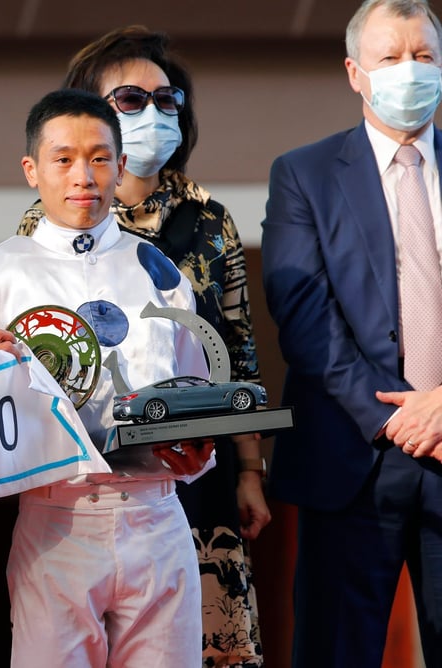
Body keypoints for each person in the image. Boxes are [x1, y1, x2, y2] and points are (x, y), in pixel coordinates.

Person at [17, 26, 270, 665]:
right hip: (81, 492)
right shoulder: (41, 229)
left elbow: (237, 348)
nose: (154, 112)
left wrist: (246, 469)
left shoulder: (209, 219)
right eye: (130, 99)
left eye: (167, 99)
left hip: (192, 471)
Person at [0, 88, 211, 666]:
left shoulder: (161, 271)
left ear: (121, 167)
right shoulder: (0, 273)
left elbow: (196, 392)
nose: (83, 176)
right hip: (56, 519)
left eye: (99, 158)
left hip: (157, 514)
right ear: (32, 170)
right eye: (63, 158)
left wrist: (199, 447)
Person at [261, 0, 442, 664]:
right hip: (351, 457)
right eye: (390, 57)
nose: (409, 71)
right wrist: (398, 416)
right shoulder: (304, 175)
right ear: (354, 72)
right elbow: (303, 313)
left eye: (423, 56)